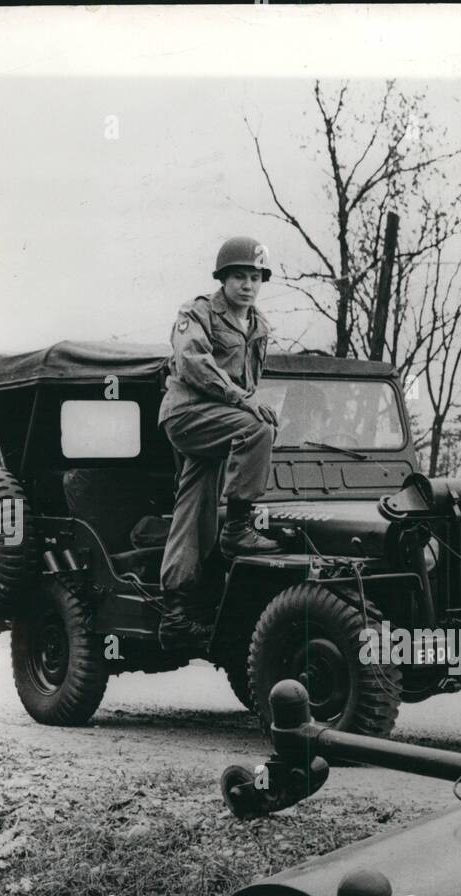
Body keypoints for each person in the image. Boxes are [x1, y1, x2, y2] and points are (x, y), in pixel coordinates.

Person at [157, 236, 281, 650]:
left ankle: (175, 613)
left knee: (192, 509)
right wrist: (243, 401)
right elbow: (192, 363)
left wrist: (250, 401)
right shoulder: (197, 313)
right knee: (257, 429)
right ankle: (239, 527)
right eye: (239, 276)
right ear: (223, 279)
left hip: (219, 422)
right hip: (189, 414)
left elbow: (252, 380)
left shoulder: (259, 326)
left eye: (255, 277)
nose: (248, 285)